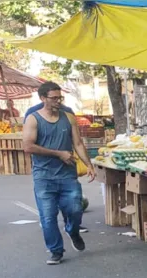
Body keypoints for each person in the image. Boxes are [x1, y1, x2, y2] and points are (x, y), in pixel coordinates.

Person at [22, 82, 95, 265]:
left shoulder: (68, 117)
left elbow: (77, 143)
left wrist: (89, 164)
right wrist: (58, 153)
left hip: (67, 175)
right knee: (48, 216)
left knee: (76, 209)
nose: (58, 101)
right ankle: (56, 251)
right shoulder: (33, 119)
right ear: (43, 98)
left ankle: (73, 230)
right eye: (54, 98)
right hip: (44, 176)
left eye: (59, 98)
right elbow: (28, 146)